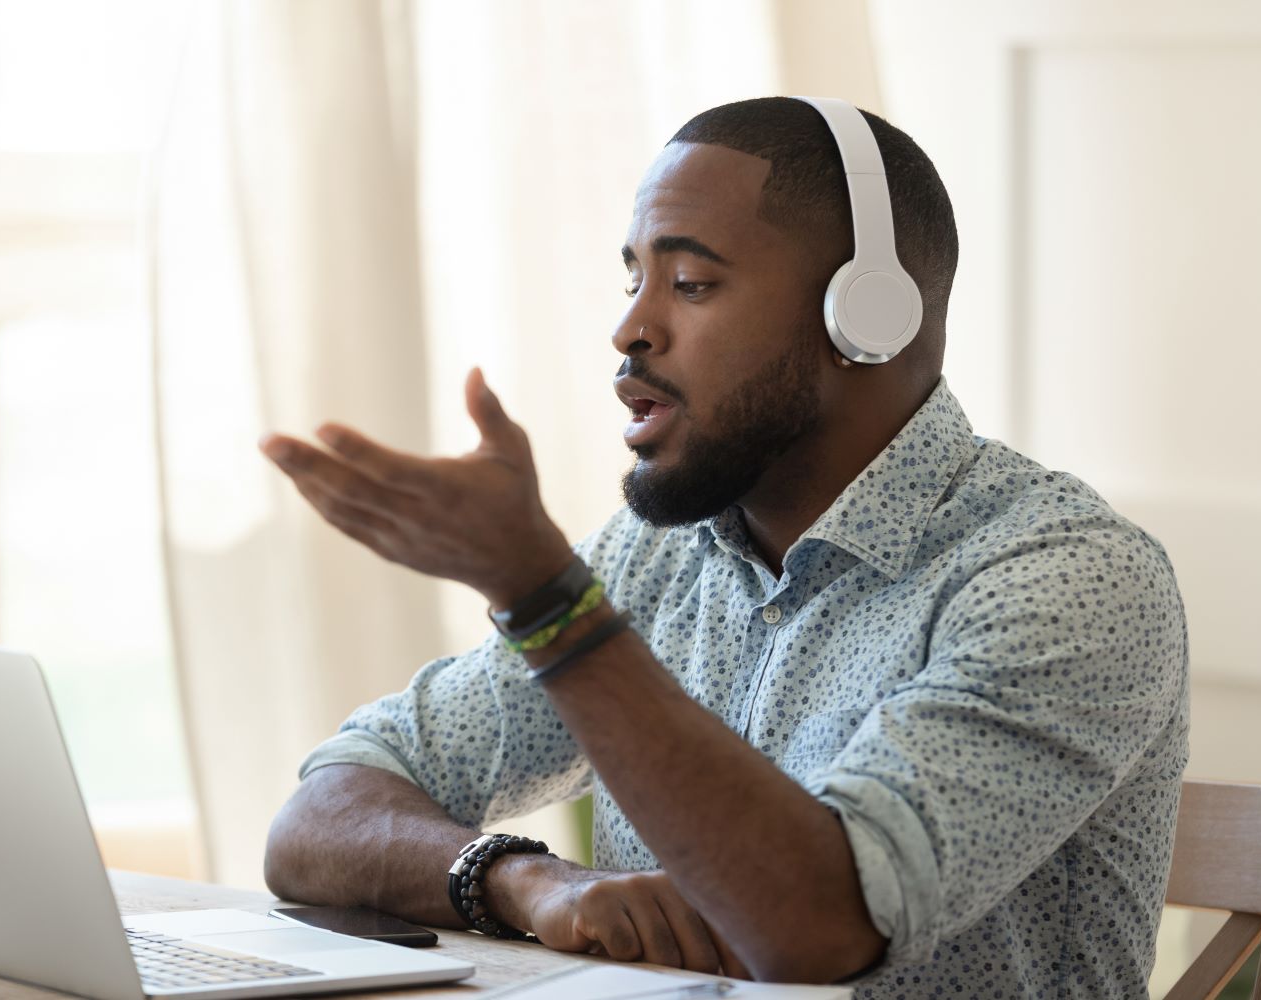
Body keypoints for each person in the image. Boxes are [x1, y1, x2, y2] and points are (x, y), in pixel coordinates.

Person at [258, 97, 1189, 998]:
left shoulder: (1069, 576)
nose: (630, 329)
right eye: (634, 280)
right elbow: (322, 814)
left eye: (691, 283)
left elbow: (818, 930)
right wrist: (525, 882)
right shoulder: (661, 555)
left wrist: (545, 599)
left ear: (865, 317)